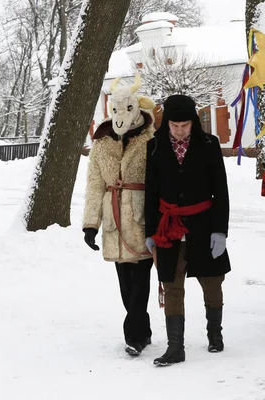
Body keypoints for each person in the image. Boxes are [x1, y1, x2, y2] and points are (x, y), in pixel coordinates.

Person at [144, 94, 231, 367]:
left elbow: (221, 191)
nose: (180, 130)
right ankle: (175, 347)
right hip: (168, 227)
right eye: (174, 125)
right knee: (172, 286)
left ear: (193, 121)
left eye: (185, 125)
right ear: (166, 123)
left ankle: (215, 334)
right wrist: (149, 231)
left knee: (212, 281)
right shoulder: (155, 146)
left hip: (203, 225)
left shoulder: (209, 145)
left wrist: (220, 230)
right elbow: (151, 192)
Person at [82, 76, 156, 357]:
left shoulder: (151, 140)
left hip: (141, 220)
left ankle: (134, 336)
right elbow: (94, 185)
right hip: (113, 220)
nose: (120, 114)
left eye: (126, 108)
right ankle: (144, 330)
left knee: (140, 280)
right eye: (116, 109)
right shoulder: (101, 144)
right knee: (126, 284)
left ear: (137, 107)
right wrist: (91, 224)